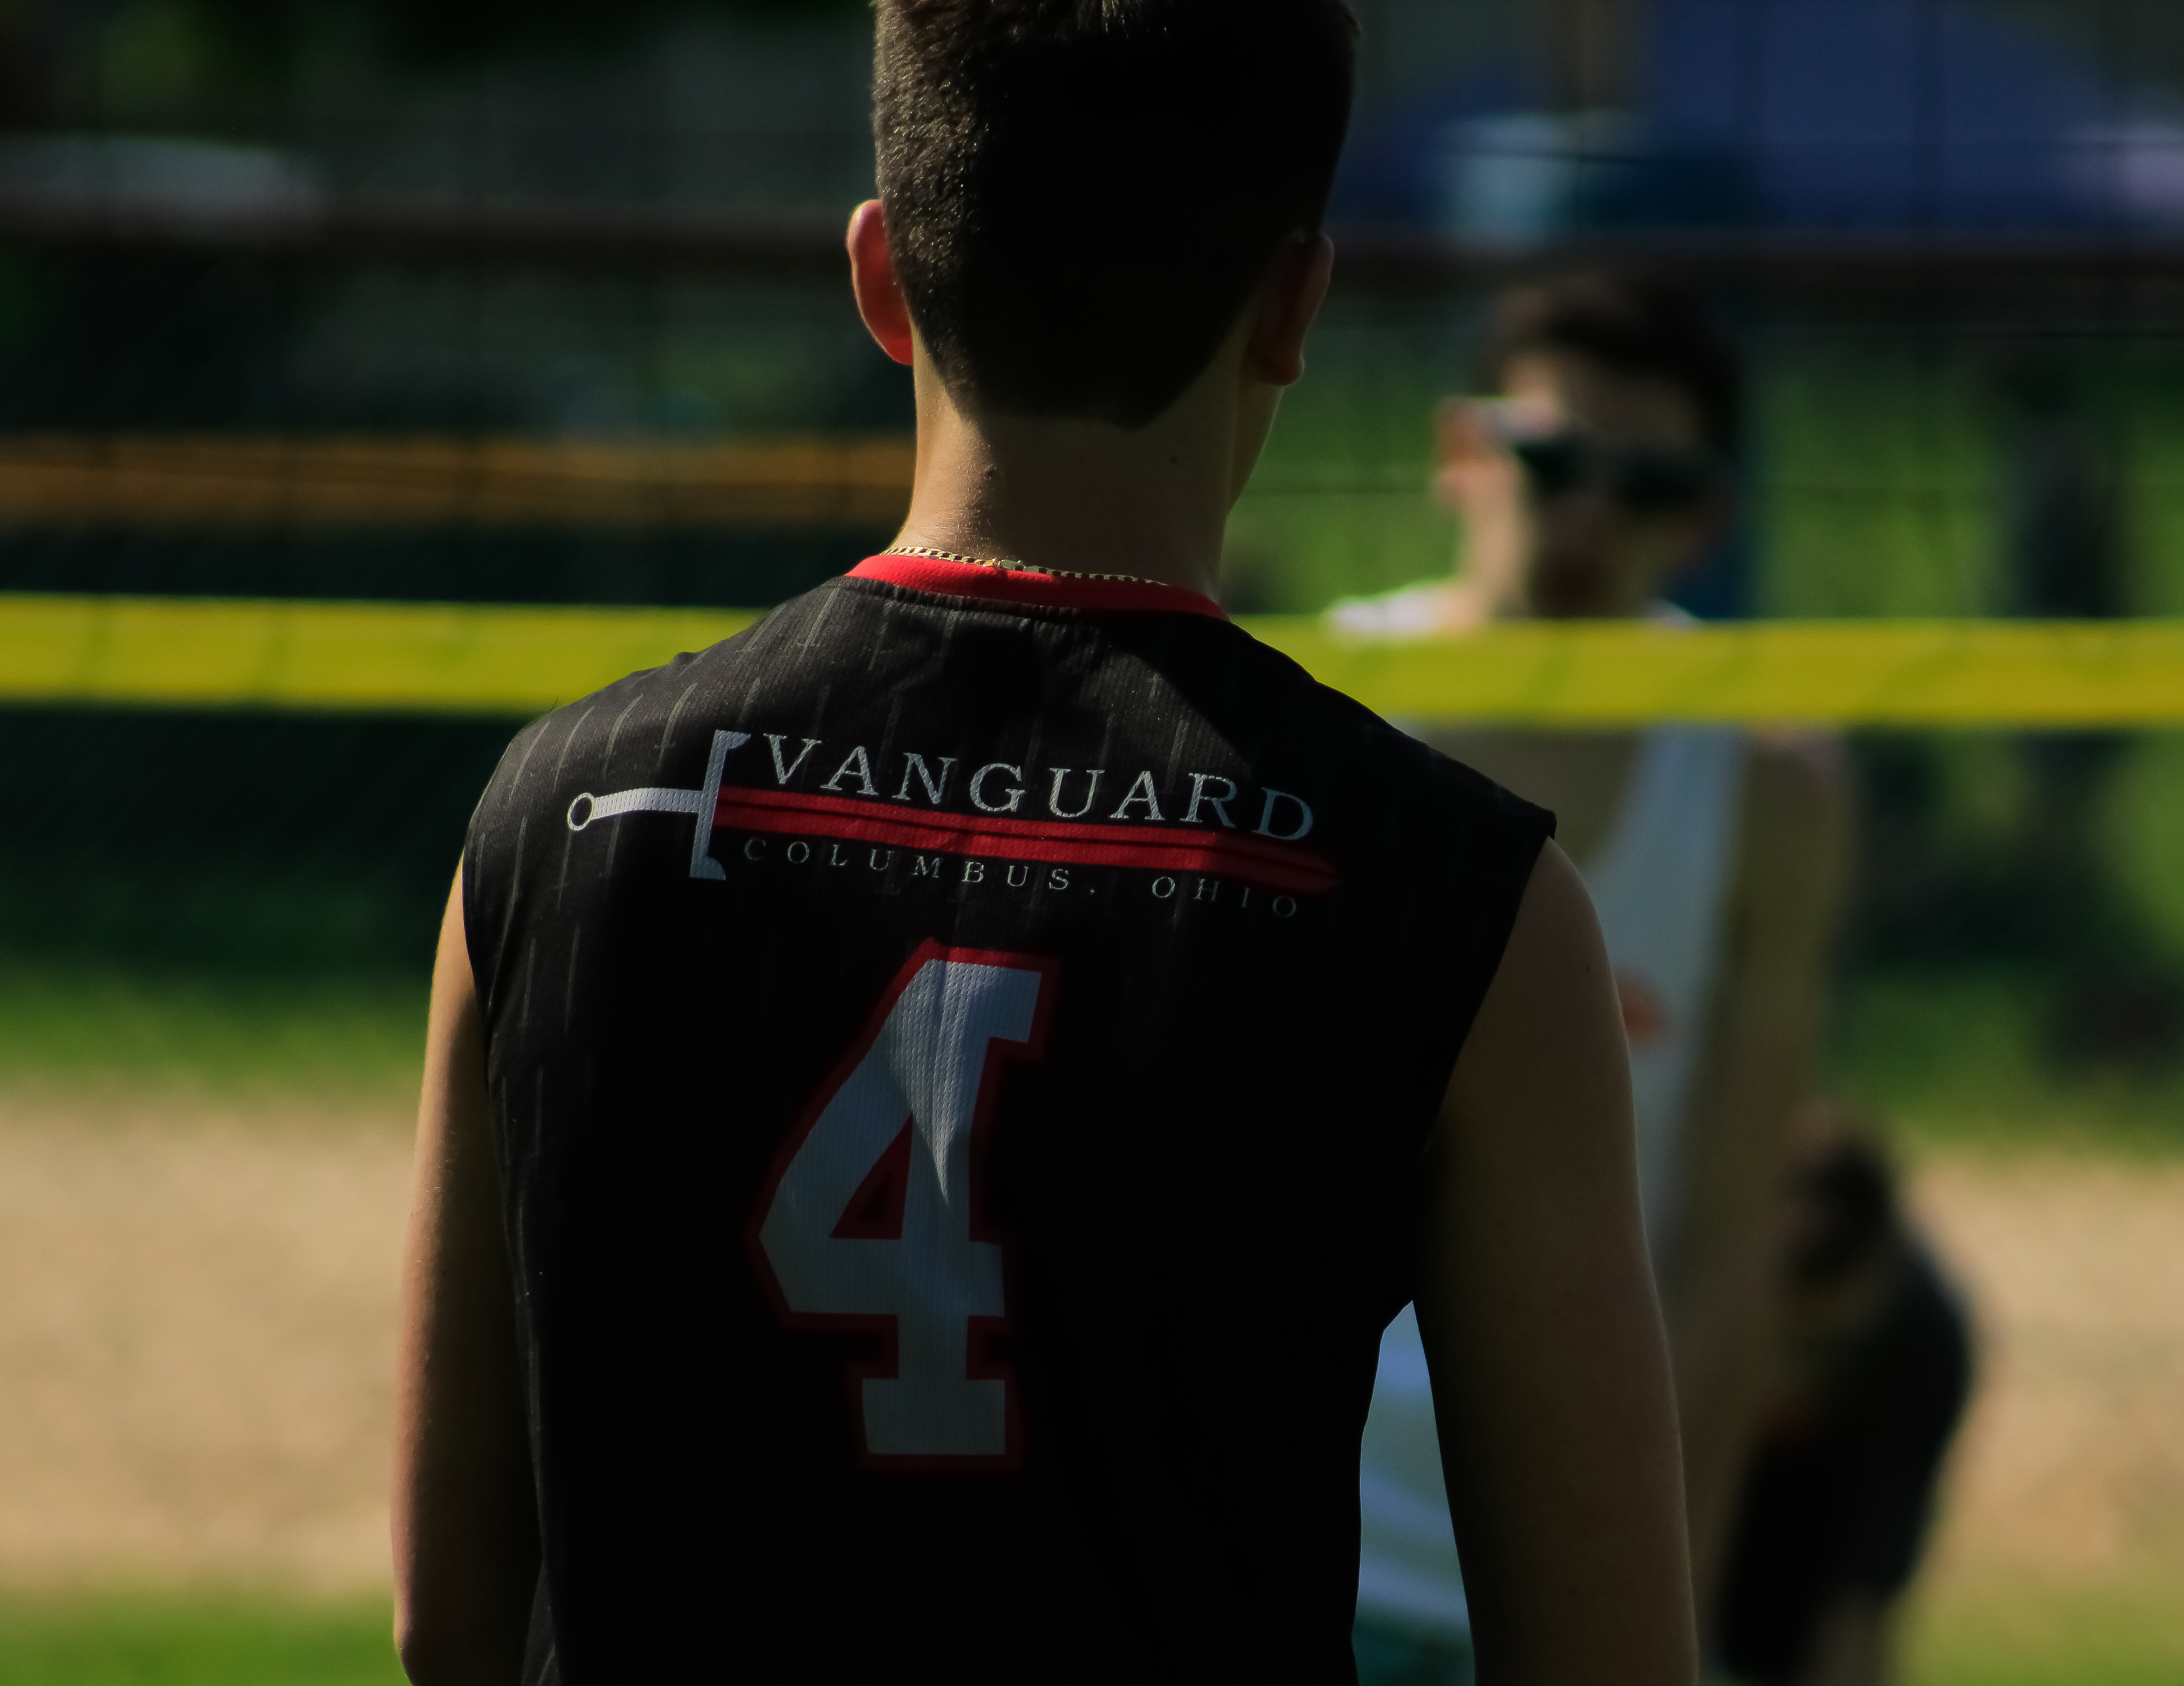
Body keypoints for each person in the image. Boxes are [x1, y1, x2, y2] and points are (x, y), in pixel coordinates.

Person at [392, 6, 1697, 1684]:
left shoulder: (567, 814)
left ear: (879, 275)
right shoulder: (1457, 901)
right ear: (1295, 305)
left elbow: (451, 1620)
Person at [1336, 277, 1851, 1676]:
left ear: (1708, 518)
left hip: (1565, 1563)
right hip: (1303, 1546)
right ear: (1460, 450)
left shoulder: (1767, 782)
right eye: (1552, 461)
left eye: (1649, 487)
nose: (1588, 519)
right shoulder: (1313, 713)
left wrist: (1663, 1598)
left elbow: (1729, 1242)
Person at [1715, 1107, 1974, 1686]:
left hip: (1864, 1439)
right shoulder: (1714, 1269)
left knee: (1849, 1610)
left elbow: (1862, 1595)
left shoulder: (1919, 1341)